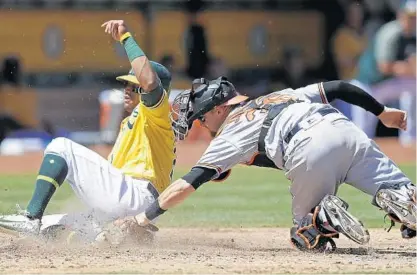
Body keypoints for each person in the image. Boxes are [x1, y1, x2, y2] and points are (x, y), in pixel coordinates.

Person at [117, 76, 415, 252]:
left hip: (305, 148)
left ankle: (320, 217)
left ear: (221, 108)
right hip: (344, 129)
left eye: (203, 117)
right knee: (402, 188)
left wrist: (144, 219)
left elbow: (188, 183)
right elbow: (337, 86)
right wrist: (382, 111)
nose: (203, 126)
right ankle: (400, 196)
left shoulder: (229, 133)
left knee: (305, 238)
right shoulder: (279, 95)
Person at [0, 20, 176, 242]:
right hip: (134, 204)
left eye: (135, 86)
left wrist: (125, 37)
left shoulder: (154, 112)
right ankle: (112, 237)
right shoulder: (136, 122)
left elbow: (149, 81)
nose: (128, 90)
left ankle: (31, 217)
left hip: (135, 193)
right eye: (126, 85)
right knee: (53, 227)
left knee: (60, 146)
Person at [351, 0, 416, 145]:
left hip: (387, 84)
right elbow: (384, 67)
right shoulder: (391, 33)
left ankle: (411, 140)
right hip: (367, 85)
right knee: (362, 133)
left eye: (415, 17)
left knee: (414, 86)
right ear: (401, 15)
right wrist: (409, 68)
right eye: (410, 16)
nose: (413, 20)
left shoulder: (414, 34)